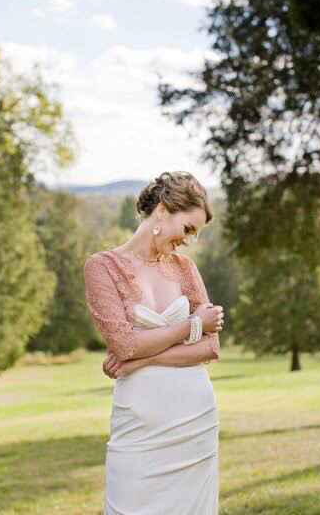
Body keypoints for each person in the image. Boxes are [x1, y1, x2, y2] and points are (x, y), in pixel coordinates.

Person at [84, 171, 225, 515]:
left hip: (194, 416)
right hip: (139, 420)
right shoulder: (103, 267)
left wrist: (140, 359)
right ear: (163, 211)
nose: (189, 240)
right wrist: (193, 324)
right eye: (188, 229)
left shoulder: (186, 269)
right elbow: (124, 346)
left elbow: (210, 347)